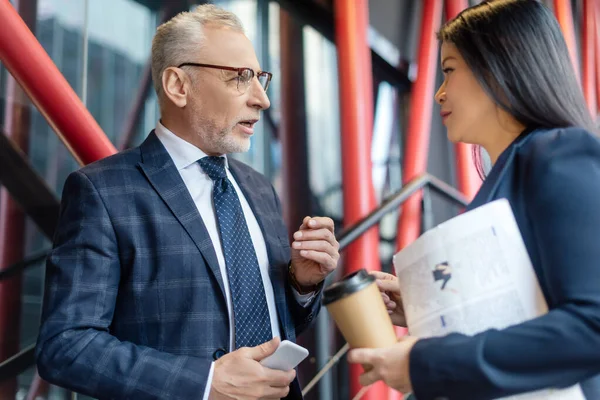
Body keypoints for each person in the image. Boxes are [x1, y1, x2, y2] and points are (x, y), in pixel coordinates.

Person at [35, 5, 339, 400]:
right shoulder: (102, 191)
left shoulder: (259, 189)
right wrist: (205, 382)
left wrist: (302, 284)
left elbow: (277, 322)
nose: (262, 99)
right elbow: (66, 347)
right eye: (241, 78)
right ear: (179, 85)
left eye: (261, 77)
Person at [347, 1, 600, 399]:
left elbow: (591, 325)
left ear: (502, 64)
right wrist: (422, 305)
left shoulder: (558, 154)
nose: (439, 93)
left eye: (448, 70)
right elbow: (527, 304)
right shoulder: (514, 169)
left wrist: (423, 363)